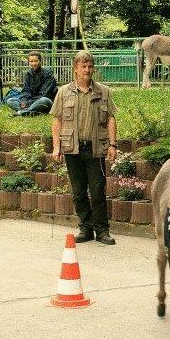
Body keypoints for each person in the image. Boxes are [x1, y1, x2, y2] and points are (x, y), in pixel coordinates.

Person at [50, 50, 118, 245]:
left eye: (90, 66)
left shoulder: (103, 91)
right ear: (76, 69)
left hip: (95, 149)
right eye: (83, 66)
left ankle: (102, 231)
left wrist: (113, 144)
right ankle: (86, 228)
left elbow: (111, 118)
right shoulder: (64, 92)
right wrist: (57, 147)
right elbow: (57, 120)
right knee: (79, 192)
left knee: (97, 190)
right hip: (72, 149)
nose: (87, 70)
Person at [5, 51, 57, 116]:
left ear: (40, 61)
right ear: (29, 62)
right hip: (31, 101)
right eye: (31, 61)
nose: (33, 63)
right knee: (10, 100)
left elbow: (45, 94)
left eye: (36, 61)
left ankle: (21, 112)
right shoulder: (28, 73)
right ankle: (31, 111)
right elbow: (26, 90)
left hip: (46, 101)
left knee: (44, 100)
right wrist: (24, 101)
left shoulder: (48, 73)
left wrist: (28, 102)